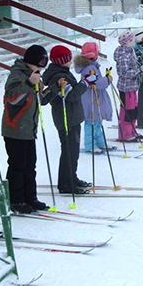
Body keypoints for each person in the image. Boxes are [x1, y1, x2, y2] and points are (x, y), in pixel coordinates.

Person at [1, 45, 50, 214]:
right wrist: (29, 83)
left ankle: (30, 197)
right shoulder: (17, 74)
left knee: (30, 165)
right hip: (15, 128)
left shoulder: (36, 76)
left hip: (29, 129)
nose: (41, 66)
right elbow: (12, 97)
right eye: (40, 62)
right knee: (17, 165)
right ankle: (15, 200)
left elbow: (40, 99)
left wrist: (56, 88)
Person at [42, 45, 91, 194]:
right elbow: (72, 96)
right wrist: (85, 83)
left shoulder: (62, 72)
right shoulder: (59, 76)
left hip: (72, 117)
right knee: (69, 151)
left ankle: (71, 177)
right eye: (68, 58)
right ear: (61, 61)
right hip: (66, 118)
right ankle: (66, 183)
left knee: (73, 151)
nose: (71, 61)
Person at [74, 42, 114, 153]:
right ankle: (90, 145)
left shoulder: (91, 66)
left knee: (97, 121)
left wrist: (105, 78)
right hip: (91, 98)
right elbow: (93, 83)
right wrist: (106, 80)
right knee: (91, 122)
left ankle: (100, 142)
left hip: (95, 97)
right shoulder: (89, 67)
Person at [113, 31, 140, 141]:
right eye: (133, 40)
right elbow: (123, 72)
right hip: (126, 88)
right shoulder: (123, 55)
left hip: (132, 87)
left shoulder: (130, 52)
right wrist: (137, 71)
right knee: (127, 111)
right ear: (127, 42)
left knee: (134, 109)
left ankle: (132, 131)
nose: (135, 42)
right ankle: (125, 134)